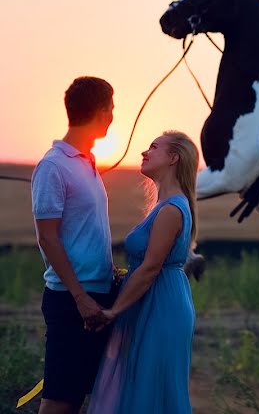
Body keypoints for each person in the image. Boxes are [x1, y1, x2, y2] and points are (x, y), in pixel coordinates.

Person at [87, 131, 198, 413]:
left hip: (161, 305)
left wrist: (113, 312)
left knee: (151, 387)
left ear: (173, 158)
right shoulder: (163, 205)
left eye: (153, 147)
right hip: (154, 298)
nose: (144, 152)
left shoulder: (172, 209)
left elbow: (150, 268)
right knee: (140, 383)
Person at [32, 76, 116, 414]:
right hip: (71, 300)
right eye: (111, 108)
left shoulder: (86, 162)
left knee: (80, 396)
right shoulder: (53, 166)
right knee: (59, 400)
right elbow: (47, 238)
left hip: (96, 296)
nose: (113, 115)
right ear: (99, 111)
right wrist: (81, 298)